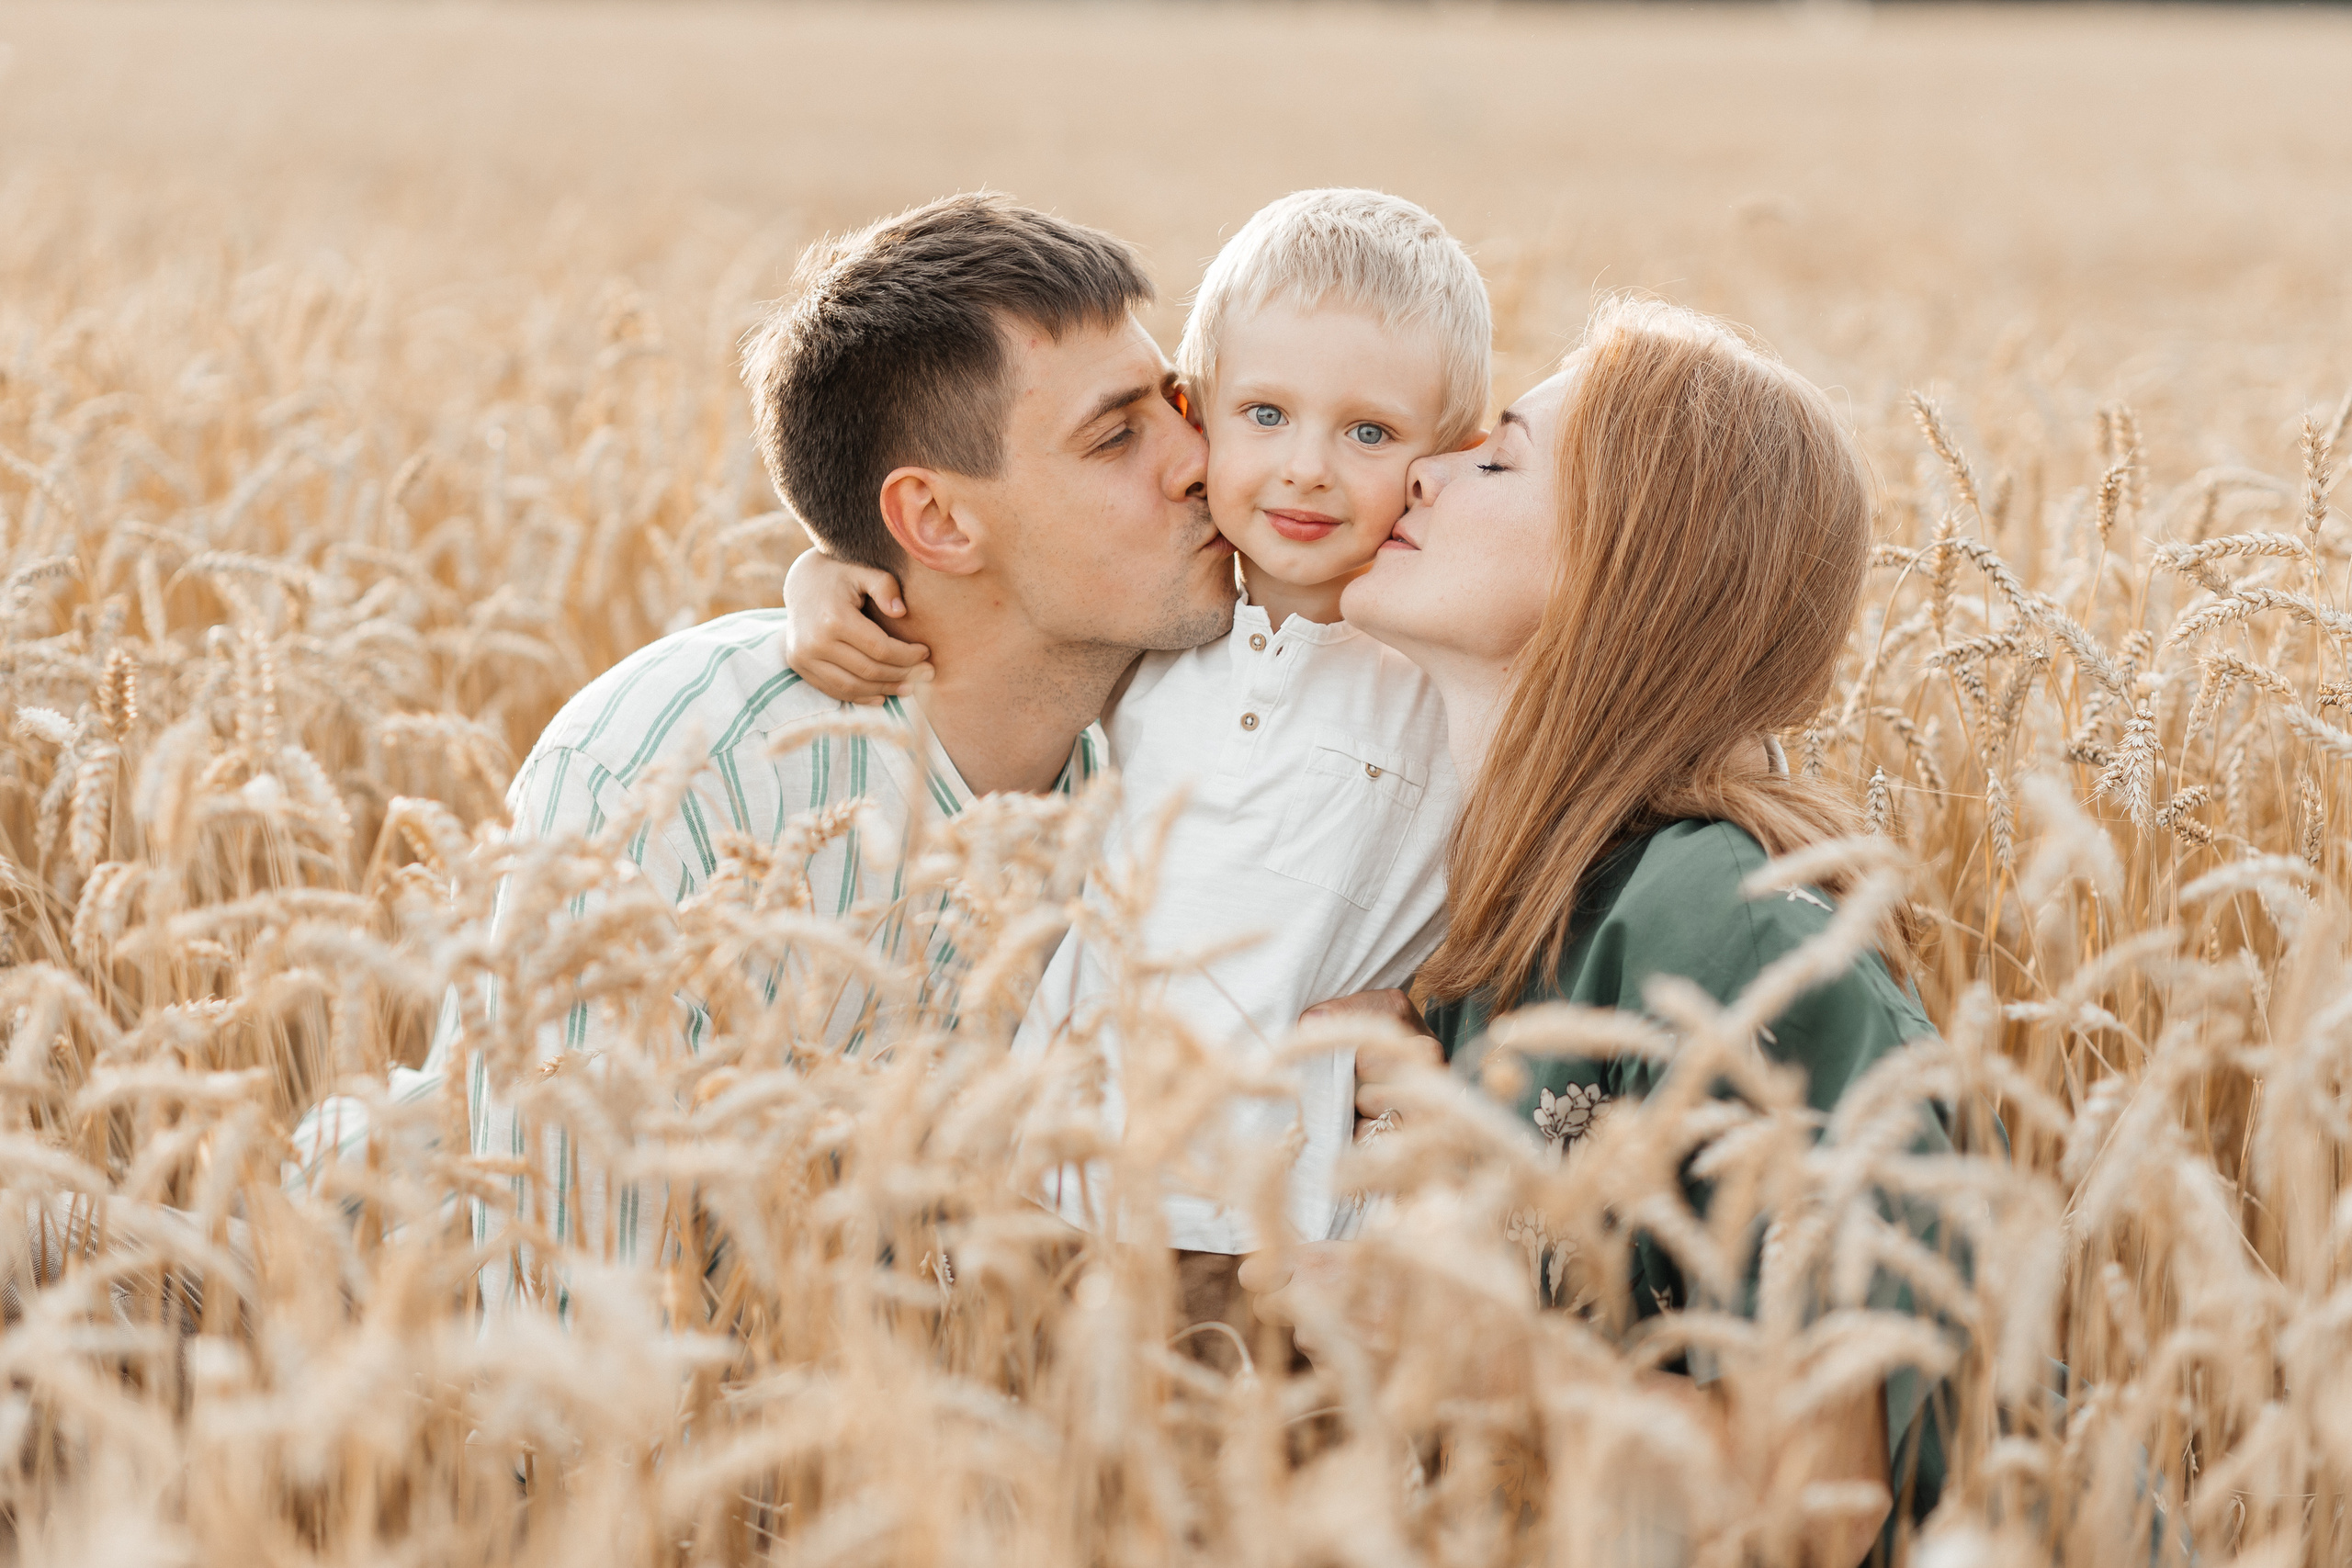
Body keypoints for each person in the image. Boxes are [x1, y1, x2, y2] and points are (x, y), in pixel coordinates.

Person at [289, 193, 1237, 1275]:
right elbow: (559, 1283)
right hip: (359, 1333)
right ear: (935, 522)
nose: (1202, 459)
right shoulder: (676, 765)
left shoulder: (1191, 758)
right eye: (1117, 435)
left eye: (1177, 403)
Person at [1253, 297, 1951, 1564]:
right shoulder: (1500, 918)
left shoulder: (1731, 925)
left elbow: (1831, 1492)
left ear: (1628, 567)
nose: (1422, 464)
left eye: (1498, 457)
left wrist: (1496, 1360)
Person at [780, 190, 1490, 1270]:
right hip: (1052, 1196)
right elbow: (993, 606)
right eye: (1262, 416)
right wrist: (825, 575)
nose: (1305, 466)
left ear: (1445, 459)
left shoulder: (1446, 655)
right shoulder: (1160, 629)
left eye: (1368, 432)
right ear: (1198, 414)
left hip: (1288, 1231)